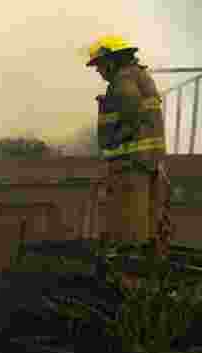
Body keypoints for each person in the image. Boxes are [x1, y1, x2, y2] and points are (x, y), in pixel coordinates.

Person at [86, 35, 171, 256]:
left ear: (112, 60)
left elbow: (132, 114)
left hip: (130, 164)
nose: (99, 71)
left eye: (100, 65)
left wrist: (115, 141)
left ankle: (127, 261)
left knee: (127, 226)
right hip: (148, 160)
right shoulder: (141, 76)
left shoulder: (122, 81)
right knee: (145, 222)